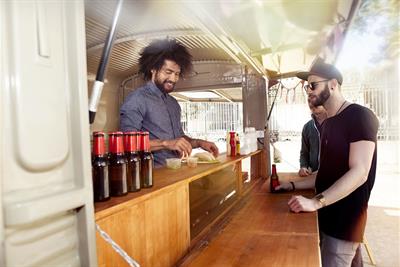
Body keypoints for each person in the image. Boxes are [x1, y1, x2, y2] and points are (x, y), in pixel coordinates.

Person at [276, 59, 378, 267]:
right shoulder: (329, 123)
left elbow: (360, 172)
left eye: (313, 85)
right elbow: (326, 173)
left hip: (343, 225)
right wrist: (292, 185)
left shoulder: (359, 116)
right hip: (327, 217)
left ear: (332, 84)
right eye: (307, 87)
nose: (308, 91)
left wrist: (316, 202)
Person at [120, 39, 219, 167]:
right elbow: (127, 143)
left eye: (177, 74)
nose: (173, 79)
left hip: (175, 172)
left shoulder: (173, 103)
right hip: (150, 176)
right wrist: (165, 143)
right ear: (153, 69)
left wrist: (199, 143)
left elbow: (179, 139)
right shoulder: (137, 99)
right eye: (168, 72)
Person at [298, 102, 327, 177]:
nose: (313, 106)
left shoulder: (336, 124)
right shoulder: (307, 127)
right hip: (313, 176)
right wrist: (303, 167)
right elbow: (304, 152)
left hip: (334, 177)